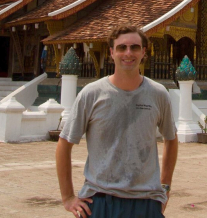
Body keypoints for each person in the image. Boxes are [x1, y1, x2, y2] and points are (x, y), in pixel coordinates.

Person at [56, 24, 178, 218]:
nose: (128, 53)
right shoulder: (92, 94)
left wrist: (165, 186)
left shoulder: (158, 94)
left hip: (146, 200)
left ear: (144, 52)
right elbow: (64, 143)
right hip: (101, 200)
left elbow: (171, 139)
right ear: (111, 52)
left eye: (134, 47)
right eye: (122, 47)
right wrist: (68, 197)